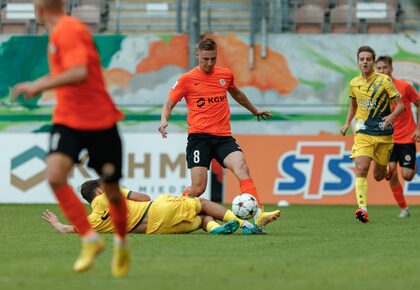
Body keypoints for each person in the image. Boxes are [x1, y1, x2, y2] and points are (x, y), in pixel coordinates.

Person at [11, 0, 129, 277]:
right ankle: (90, 240)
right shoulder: (58, 33)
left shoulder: (69, 29)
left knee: (111, 191)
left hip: (100, 121)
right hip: (68, 120)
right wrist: (41, 82)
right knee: (54, 175)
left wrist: (37, 85)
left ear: (38, 11)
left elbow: (79, 72)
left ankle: (121, 244)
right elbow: (67, 71)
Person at [158, 38, 280, 229]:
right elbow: (169, 103)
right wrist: (164, 120)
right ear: (197, 55)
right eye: (205, 59)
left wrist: (254, 110)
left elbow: (237, 93)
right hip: (199, 138)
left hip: (223, 137)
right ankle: (176, 209)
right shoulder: (186, 79)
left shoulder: (225, 75)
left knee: (242, 168)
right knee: (198, 189)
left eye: (213, 59)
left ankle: (259, 214)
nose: (209, 63)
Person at [42, 179, 268, 235]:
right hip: (157, 208)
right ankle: (244, 223)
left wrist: (58, 224)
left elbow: (69, 229)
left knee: (200, 217)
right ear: (99, 190)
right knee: (204, 203)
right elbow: (143, 197)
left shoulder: (93, 222)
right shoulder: (109, 193)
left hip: (157, 229)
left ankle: (214, 229)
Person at [340, 46, 404, 223]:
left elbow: (400, 105)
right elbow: (353, 105)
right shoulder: (354, 83)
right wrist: (347, 123)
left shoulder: (384, 81)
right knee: (361, 168)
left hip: (384, 134)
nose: (365, 62)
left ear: (374, 62)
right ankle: (363, 209)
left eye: (368, 59)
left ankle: (389, 170)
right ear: (358, 62)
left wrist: (391, 117)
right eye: (362, 59)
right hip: (363, 132)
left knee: (378, 176)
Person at [376, 55, 420, 218]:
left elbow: (418, 103)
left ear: (391, 69)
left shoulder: (404, 87)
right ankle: (404, 208)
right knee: (391, 171)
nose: (382, 71)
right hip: (387, 139)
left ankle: (412, 166)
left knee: (407, 176)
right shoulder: (374, 91)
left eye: (384, 68)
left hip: (407, 137)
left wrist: (418, 129)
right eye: (378, 68)